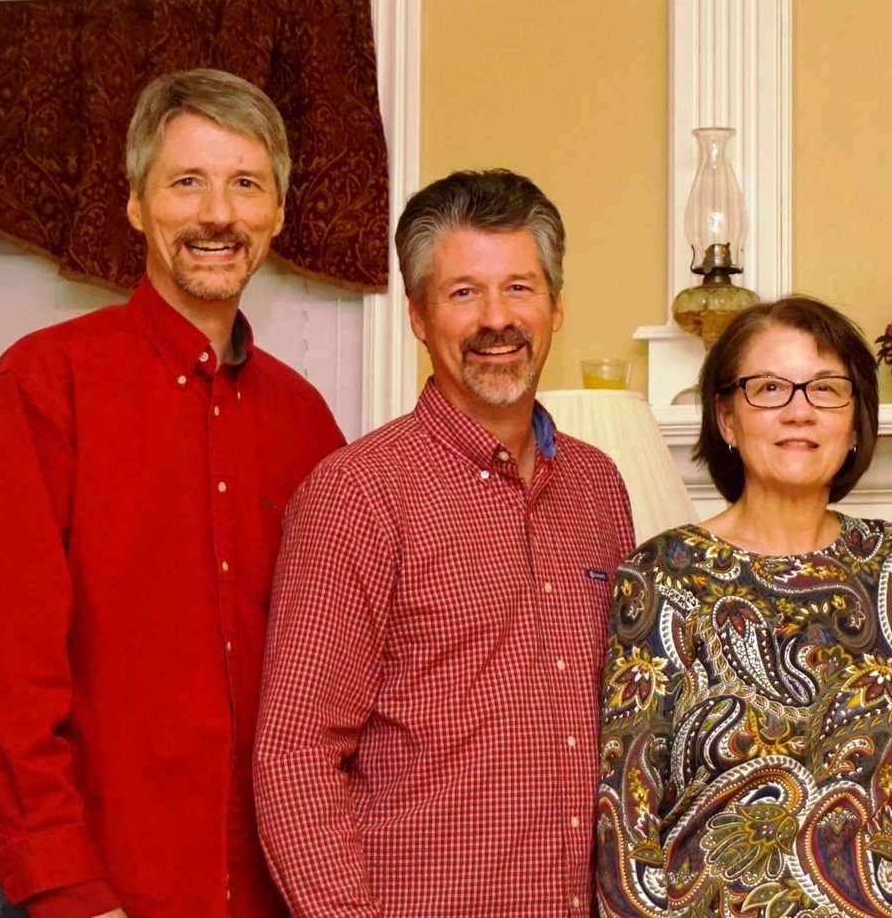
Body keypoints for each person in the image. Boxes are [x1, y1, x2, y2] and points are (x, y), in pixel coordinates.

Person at [0, 69, 345, 917]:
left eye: (246, 185)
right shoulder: (39, 386)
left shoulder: (307, 423)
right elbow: (1, 671)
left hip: (252, 892)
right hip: (71, 887)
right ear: (135, 204)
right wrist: (71, 890)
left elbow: (327, 681)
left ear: (278, 214)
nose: (218, 214)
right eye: (187, 182)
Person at [253, 169, 634, 916]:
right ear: (419, 318)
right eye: (463, 293)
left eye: (519, 288)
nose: (497, 319)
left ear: (556, 307)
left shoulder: (597, 486)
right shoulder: (358, 494)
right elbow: (295, 753)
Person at [595, 296, 892, 917]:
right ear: (727, 419)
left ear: (856, 423)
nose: (799, 410)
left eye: (826, 389)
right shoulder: (662, 575)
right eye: (768, 388)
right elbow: (623, 820)